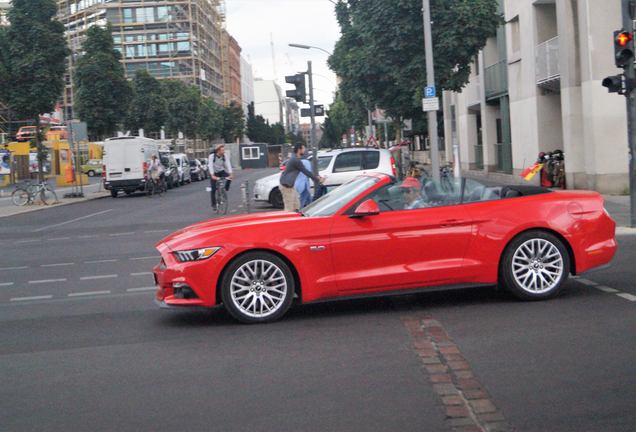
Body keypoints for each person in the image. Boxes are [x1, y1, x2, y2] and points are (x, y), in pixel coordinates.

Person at [279, 144, 324, 212]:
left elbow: (307, 172)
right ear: (299, 150)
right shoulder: (295, 160)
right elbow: (306, 172)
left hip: (290, 186)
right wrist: (317, 179)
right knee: (289, 209)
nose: (305, 150)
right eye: (303, 148)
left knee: (297, 206)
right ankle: (288, 221)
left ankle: (296, 220)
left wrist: (317, 178)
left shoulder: (296, 159)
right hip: (286, 187)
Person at [209, 144, 233, 209]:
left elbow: (228, 164)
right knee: (213, 189)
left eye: (224, 150)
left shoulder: (224, 156)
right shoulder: (212, 156)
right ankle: (214, 204)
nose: (224, 151)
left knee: (229, 178)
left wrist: (231, 173)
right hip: (214, 172)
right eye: (222, 150)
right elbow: (210, 166)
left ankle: (225, 188)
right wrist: (212, 175)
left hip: (221, 171)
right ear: (218, 151)